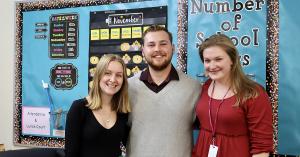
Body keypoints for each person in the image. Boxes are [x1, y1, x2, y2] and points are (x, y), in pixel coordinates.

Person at [192, 34, 273, 157]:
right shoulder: (205, 87)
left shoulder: (253, 93)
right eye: (207, 60)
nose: (212, 66)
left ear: (232, 60)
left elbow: (261, 146)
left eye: (218, 59)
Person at [127, 25, 201, 157]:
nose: (157, 49)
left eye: (163, 44)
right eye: (151, 45)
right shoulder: (127, 87)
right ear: (143, 50)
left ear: (172, 48)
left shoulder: (194, 88)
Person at [65, 54, 131, 157]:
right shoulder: (79, 108)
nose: (113, 79)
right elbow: (71, 154)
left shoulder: (122, 111)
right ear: (98, 76)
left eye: (119, 75)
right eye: (107, 73)